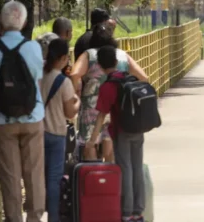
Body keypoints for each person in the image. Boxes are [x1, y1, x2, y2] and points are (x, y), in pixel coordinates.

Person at [0, 0, 46, 222]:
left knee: (10, 175)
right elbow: (37, 78)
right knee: (34, 173)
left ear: (1, 20)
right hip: (32, 117)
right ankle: (35, 218)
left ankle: (14, 218)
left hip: (3, 118)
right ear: (25, 22)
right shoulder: (34, 48)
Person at [85, 46, 149, 222]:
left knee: (126, 169)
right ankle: (139, 211)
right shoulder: (130, 79)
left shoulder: (108, 86)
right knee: (137, 167)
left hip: (122, 132)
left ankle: (127, 213)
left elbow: (100, 116)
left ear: (100, 65)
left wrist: (92, 141)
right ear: (115, 61)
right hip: (138, 129)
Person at [70, 24, 146, 162]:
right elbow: (144, 78)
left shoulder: (89, 55)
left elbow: (75, 74)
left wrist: (76, 93)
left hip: (92, 108)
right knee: (110, 145)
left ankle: (93, 175)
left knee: (90, 146)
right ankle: (111, 176)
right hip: (116, 107)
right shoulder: (122, 55)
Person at [41, 39, 80, 222]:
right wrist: (78, 99)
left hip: (37, 133)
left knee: (38, 177)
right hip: (56, 133)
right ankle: (54, 218)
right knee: (54, 179)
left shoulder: (39, 76)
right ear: (64, 57)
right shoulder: (64, 83)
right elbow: (70, 112)